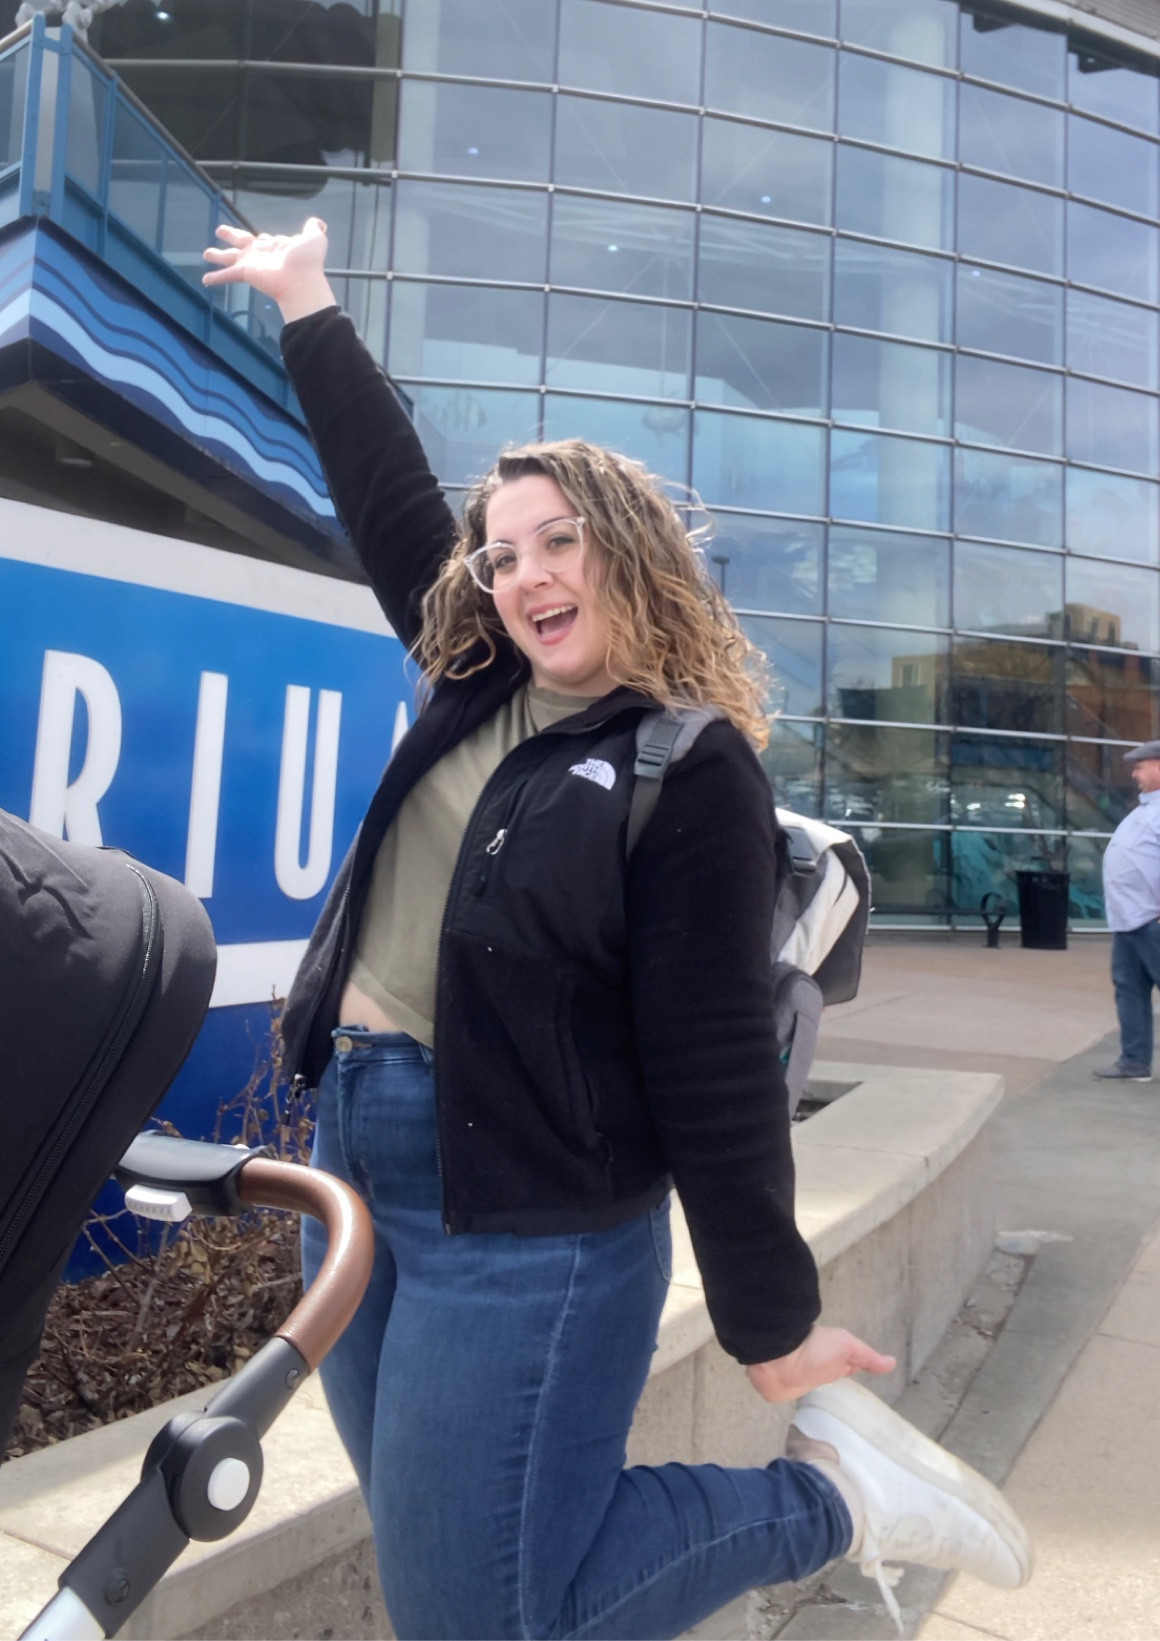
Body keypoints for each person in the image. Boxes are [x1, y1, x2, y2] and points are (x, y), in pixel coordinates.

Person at [203, 217, 1031, 1640]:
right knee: (444, 1578)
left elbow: (712, 1060)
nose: (525, 573)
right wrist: (309, 300)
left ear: (628, 554)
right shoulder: (471, 678)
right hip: (360, 1164)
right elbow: (388, 492)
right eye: (500, 554)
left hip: (533, 1222)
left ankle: (830, 1502)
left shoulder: (686, 766)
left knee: (484, 1615)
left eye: (558, 541)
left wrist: (769, 1323)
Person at [1093, 740, 1160, 1083]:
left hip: (1156, 922)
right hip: (1130, 921)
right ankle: (1134, 1062)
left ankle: (1134, 1061)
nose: (1134, 774)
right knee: (1129, 990)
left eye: (1140, 767)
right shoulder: (1149, 807)